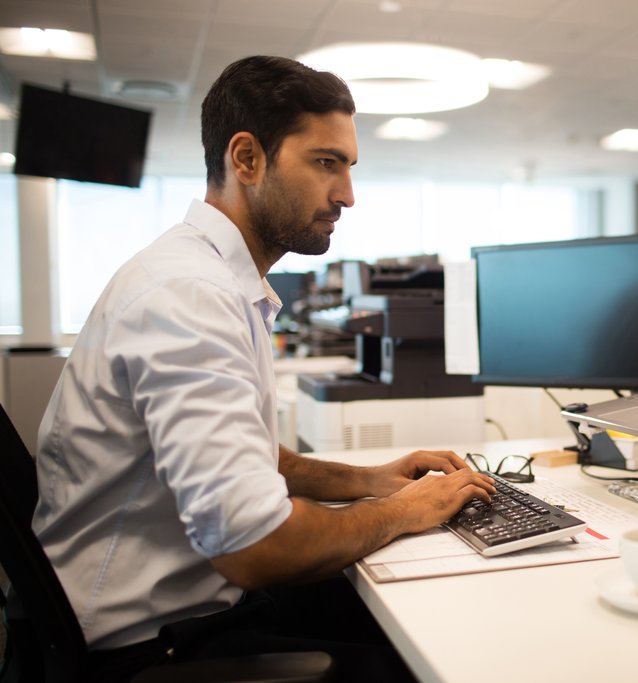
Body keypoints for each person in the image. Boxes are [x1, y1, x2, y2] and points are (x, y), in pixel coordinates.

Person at [31, 55, 495, 682]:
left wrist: (373, 480)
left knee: (429, 612)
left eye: (349, 167)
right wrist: (406, 511)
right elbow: (254, 545)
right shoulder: (188, 294)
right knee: (434, 660)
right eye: (326, 163)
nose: (347, 195)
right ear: (246, 159)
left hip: (187, 609)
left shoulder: (213, 279)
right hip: (143, 649)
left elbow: (258, 460)